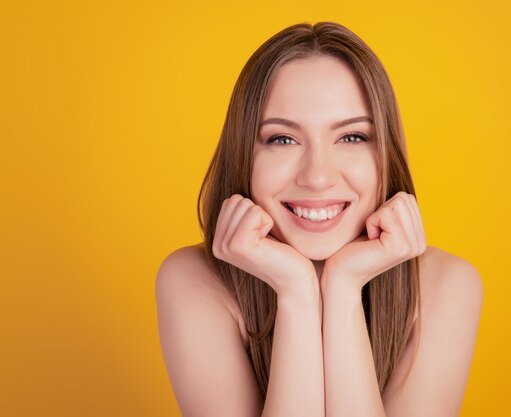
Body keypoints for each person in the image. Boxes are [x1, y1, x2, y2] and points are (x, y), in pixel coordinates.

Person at [155, 21, 483, 417]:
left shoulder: (445, 285)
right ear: (244, 155)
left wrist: (343, 286)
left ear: (386, 154)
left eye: (352, 137)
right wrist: (296, 290)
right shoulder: (192, 280)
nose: (318, 176)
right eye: (282, 139)